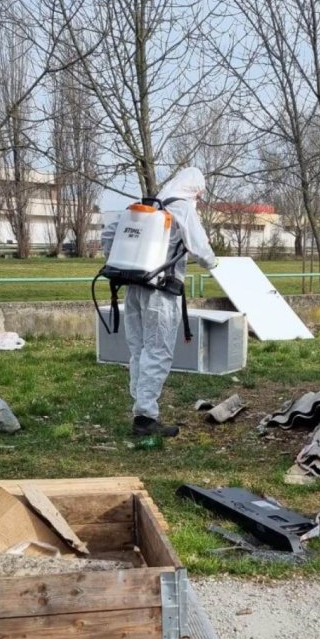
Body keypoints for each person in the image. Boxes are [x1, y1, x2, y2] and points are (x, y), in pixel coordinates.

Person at [124, 166, 218, 438]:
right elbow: (201, 249)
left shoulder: (151, 206)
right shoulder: (183, 207)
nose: (198, 198)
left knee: (139, 350)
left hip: (134, 287)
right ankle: (145, 418)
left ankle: (140, 409)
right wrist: (214, 262)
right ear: (194, 189)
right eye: (198, 193)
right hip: (160, 292)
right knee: (158, 351)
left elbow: (112, 239)